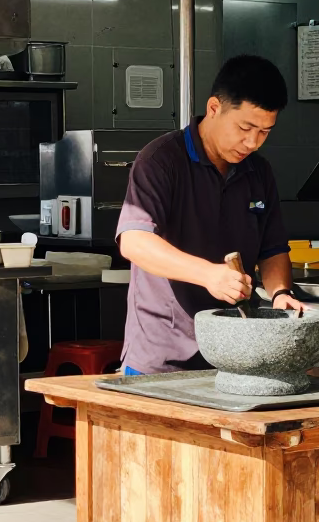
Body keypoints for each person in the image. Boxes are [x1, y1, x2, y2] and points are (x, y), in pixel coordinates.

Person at [116, 54, 307, 376]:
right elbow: (135, 242)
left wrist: (280, 293)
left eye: (265, 131)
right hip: (165, 356)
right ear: (215, 108)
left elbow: (273, 249)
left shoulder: (258, 171)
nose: (252, 142)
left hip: (237, 352)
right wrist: (209, 275)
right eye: (245, 127)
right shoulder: (161, 160)